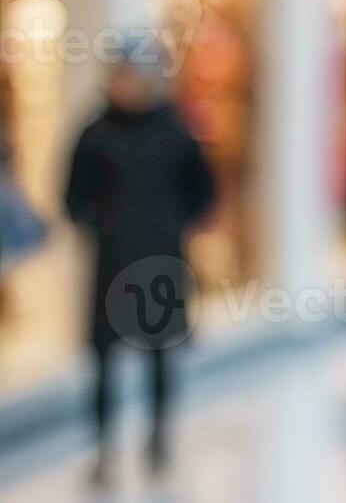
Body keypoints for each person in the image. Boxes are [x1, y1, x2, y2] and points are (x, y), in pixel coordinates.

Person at [62, 35, 215, 484]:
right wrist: (100, 224)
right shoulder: (95, 133)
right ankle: (104, 449)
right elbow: (72, 195)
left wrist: (171, 225)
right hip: (111, 263)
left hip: (160, 261)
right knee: (104, 360)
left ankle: (158, 440)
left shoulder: (175, 131)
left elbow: (201, 192)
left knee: (160, 355)